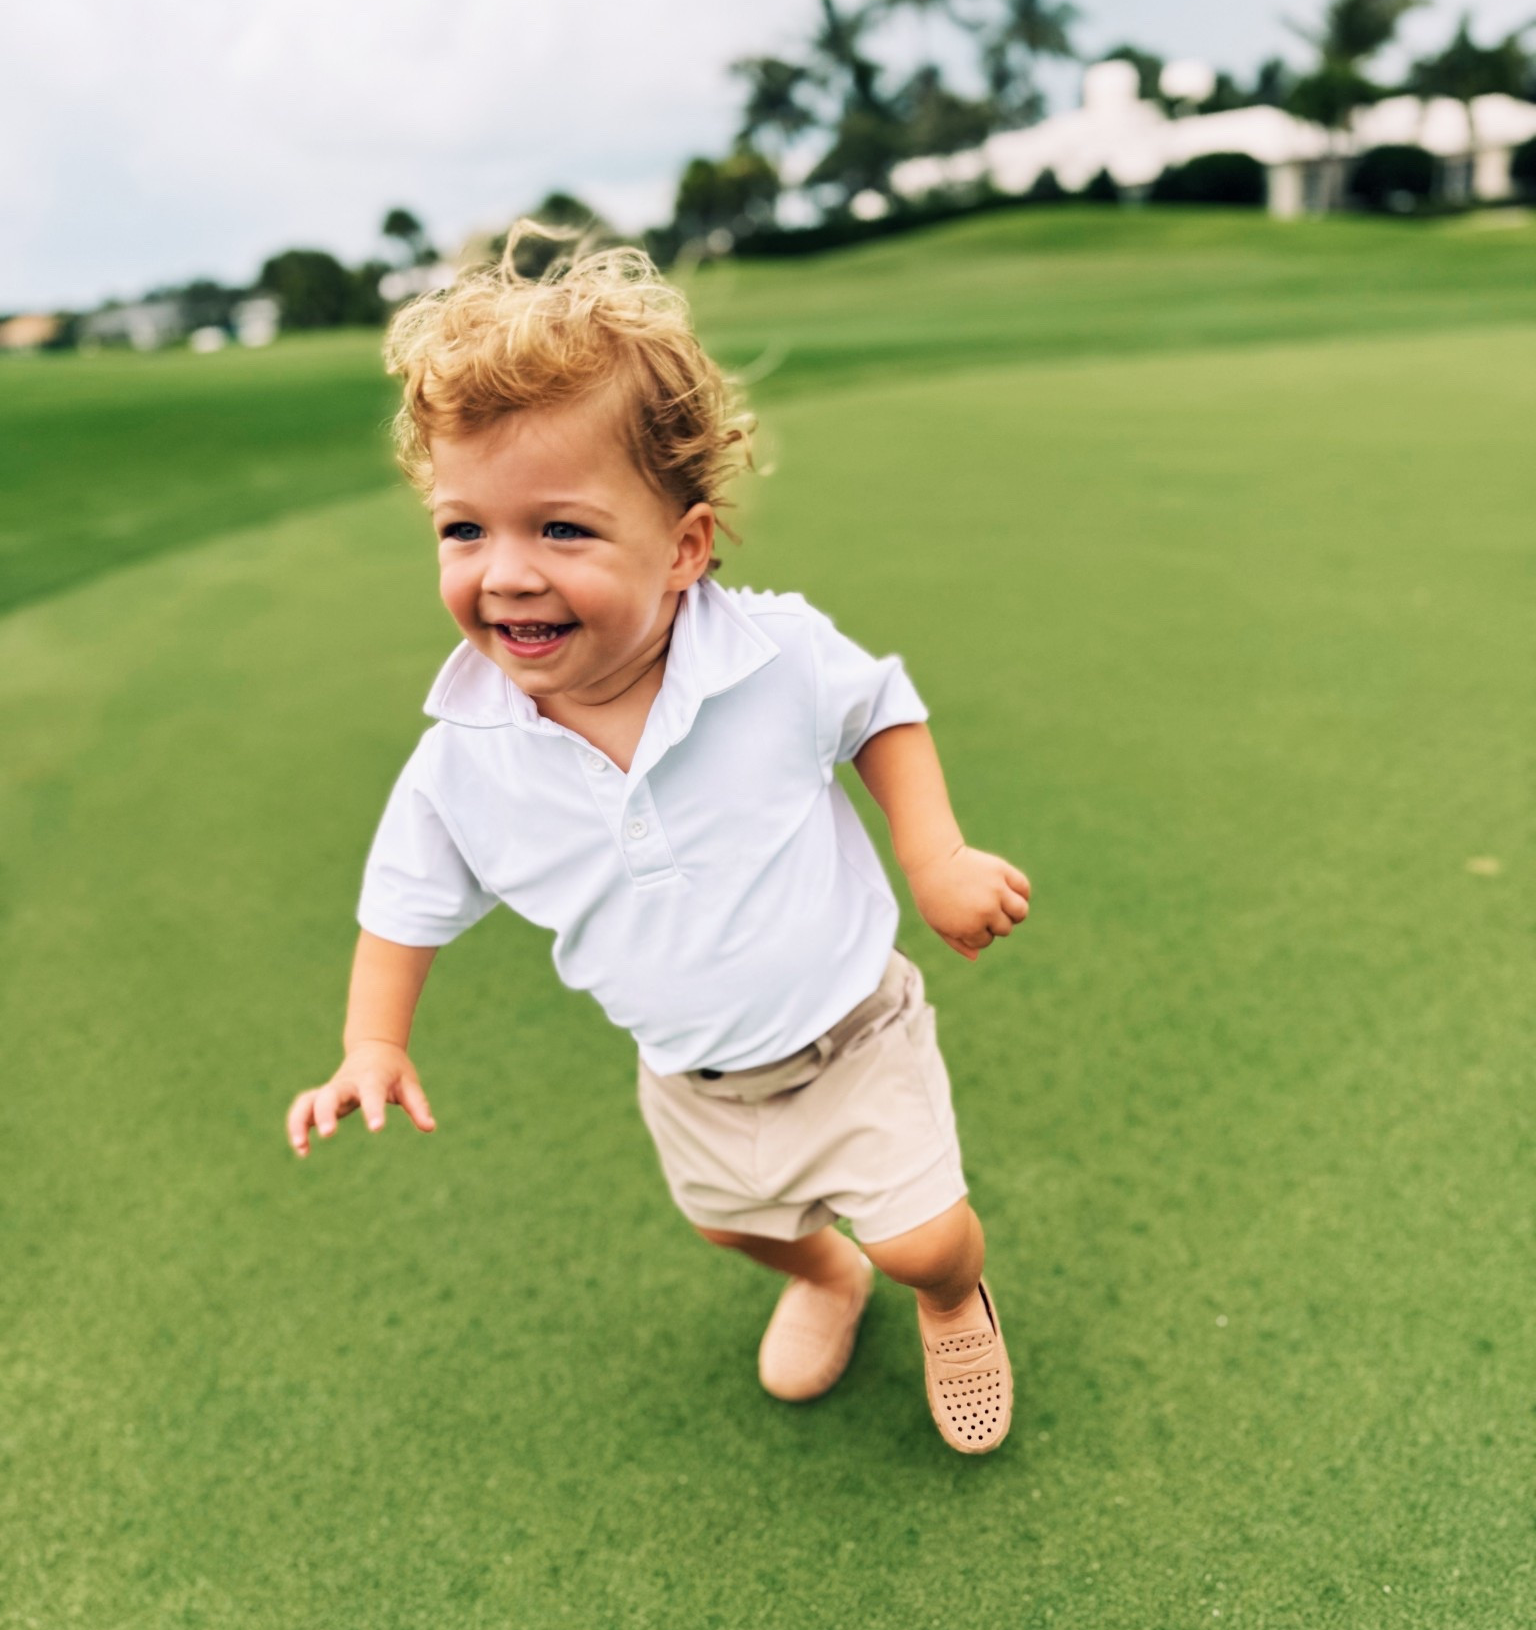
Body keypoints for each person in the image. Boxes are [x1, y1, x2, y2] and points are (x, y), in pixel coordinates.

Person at [285, 226, 1031, 1454]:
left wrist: (935, 856)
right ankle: (821, 1276)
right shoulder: (462, 754)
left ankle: (947, 1295)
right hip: (688, 1071)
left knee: (922, 1234)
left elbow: (881, 707)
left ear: (684, 548)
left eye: (561, 530)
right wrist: (372, 1042)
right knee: (731, 1224)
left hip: (852, 1031)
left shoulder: (769, 656)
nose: (505, 572)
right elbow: (402, 902)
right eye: (464, 530)